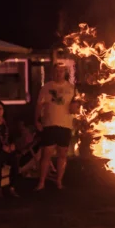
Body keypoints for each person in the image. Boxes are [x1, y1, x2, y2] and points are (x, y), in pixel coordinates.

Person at [35, 61, 79, 191]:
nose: (59, 73)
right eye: (56, 71)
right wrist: (37, 120)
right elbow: (39, 105)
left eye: (61, 71)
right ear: (53, 72)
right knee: (46, 154)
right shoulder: (46, 87)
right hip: (49, 124)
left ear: (65, 72)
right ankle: (41, 182)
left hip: (65, 125)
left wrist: (75, 109)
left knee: (62, 155)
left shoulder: (71, 89)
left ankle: (59, 182)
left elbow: (76, 106)